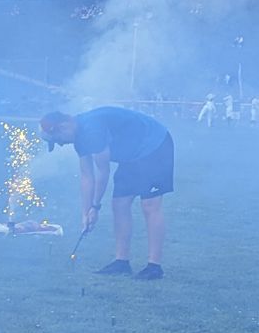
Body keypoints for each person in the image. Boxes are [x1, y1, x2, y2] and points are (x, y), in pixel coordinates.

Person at [41, 105, 172, 279]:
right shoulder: (79, 138)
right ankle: (121, 262)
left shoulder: (92, 129)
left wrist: (95, 206)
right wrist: (86, 213)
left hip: (154, 145)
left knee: (150, 205)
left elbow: (103, 172)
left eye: (58, 140)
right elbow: (87, 176)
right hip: (132, 155)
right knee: (119, 204)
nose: (61, 144)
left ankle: (154, 267)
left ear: (63, 126)